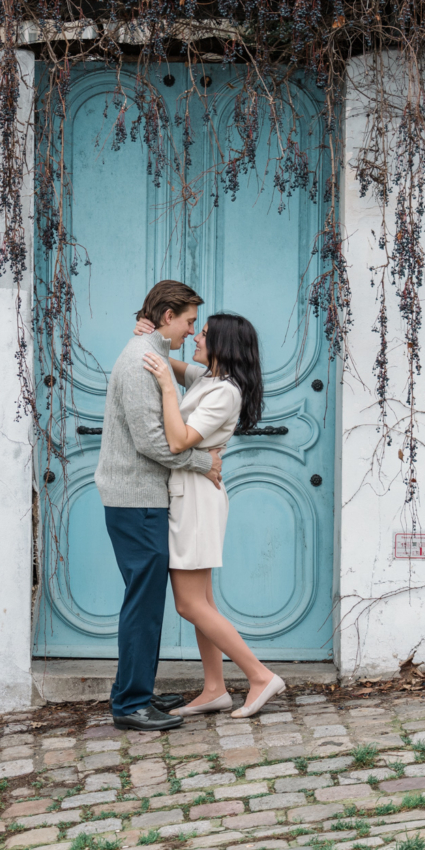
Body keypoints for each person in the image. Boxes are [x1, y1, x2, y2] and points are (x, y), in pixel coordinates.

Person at [136, 312, 286, 719]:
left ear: (222, 344)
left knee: (189, 604)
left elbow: (180, 439)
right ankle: (215, 688)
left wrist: (167, 386)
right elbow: (166, 361)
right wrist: (149, 336)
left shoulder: (225, 393)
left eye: (201, 333)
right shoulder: (207, 380)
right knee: (203, 601)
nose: (194, 337)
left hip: (197, 500)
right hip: (192, 494)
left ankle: (259, 676)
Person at [95, 280, 224, 732]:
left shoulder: (148, 355)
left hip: (142, 499)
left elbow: (195, 380)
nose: (191, 331)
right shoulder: (138, 363)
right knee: (143, 603)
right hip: (136, 501)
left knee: (147, 601)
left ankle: (138, 691)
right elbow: (152, 441)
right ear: (168, 316)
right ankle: (130, 704)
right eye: (189, 321)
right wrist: (202, 461)